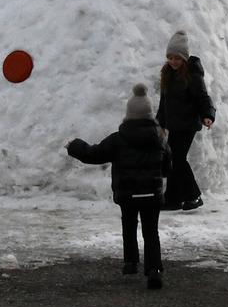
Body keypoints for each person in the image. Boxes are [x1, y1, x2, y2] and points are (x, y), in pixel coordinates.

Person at [67, 83, 172, 289]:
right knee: (151, 232)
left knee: (129, 225)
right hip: (152, 194)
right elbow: (167, 166)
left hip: (128, 194)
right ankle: (154, 270)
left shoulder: (118, 139)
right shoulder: (160, 139)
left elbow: (93, 154)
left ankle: (130, 263)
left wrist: (74, 146)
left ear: (128, 115)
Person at [155, 29, 214, 212]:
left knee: (177, 159)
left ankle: (194, 195)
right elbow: (164, 101)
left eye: (177, 58)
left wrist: (208, 115)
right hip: (174, 124)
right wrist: (161, 123)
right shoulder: (167, 73)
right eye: (170, 57)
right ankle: (172, 199)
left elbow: (203, 97)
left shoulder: (192, 74)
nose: (173, 61)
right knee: (172, 160)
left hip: (188, 124)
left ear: (185, 58)